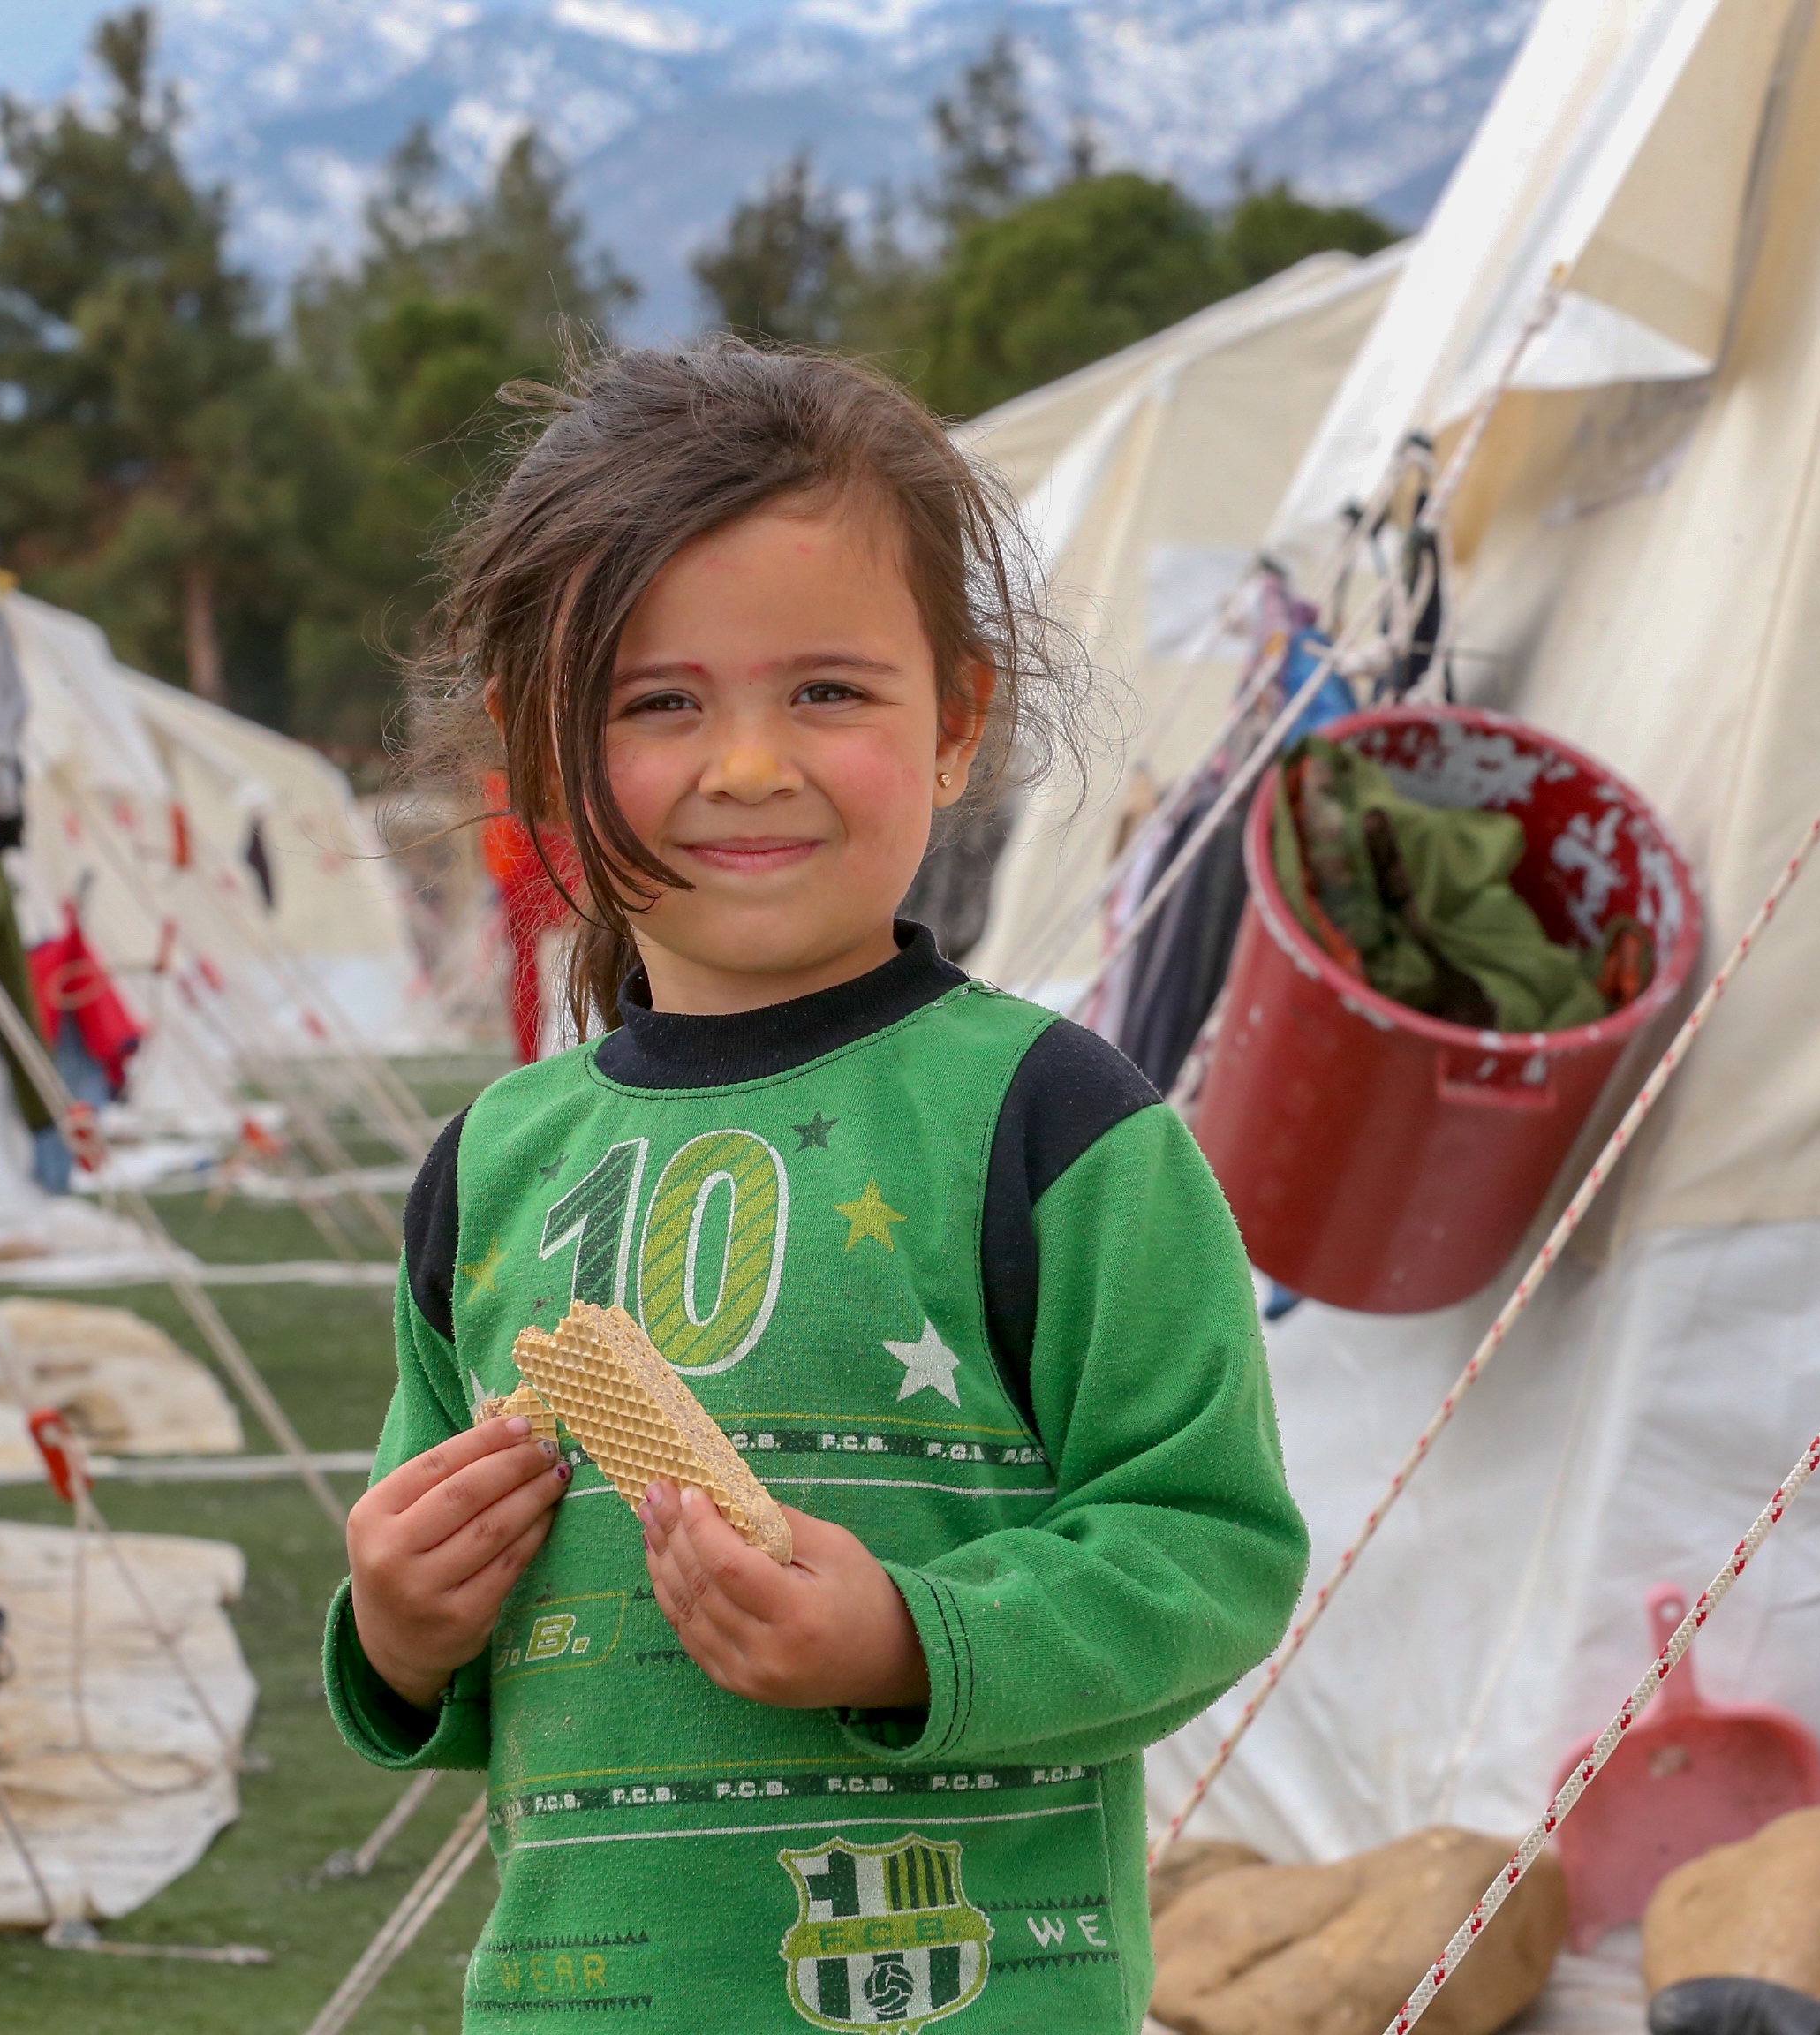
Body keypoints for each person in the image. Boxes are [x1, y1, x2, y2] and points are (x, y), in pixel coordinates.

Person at [323, 343, 1310, 2031]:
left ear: (958, 721)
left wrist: (913, 1634)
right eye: (659, 701)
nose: (752, 763)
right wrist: (401, 1626)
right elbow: (471, 1645)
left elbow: (1209, 1551)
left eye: (829, 691)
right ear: (543, 754)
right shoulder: (493, 1164)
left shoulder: (1056, 1121)